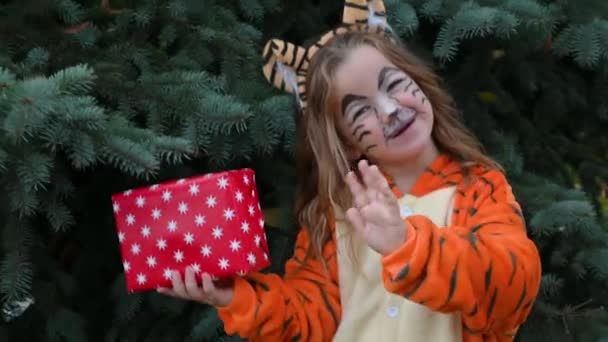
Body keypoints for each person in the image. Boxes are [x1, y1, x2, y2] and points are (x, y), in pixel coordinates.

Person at [157, 1, 543, 341]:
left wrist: (409, 247)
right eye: (360, 111)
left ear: (419, 83)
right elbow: (308, 323)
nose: (390, 110)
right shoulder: (336, 213)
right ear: (346, 141)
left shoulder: (480, 188)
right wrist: (232, 297)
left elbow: (514, 286)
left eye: (394, 85)